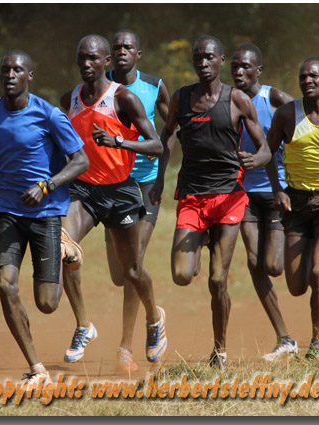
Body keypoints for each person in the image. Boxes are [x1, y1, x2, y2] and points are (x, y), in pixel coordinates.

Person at [0, 49, 89, 384]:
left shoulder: (49, 115)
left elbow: (80, 161)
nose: (10, 75)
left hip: (45, 212)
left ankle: (65, 251)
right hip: (5, 210)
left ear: (30, 75)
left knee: (47, 303)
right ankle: (37, 368)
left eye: (18, 70)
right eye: (6, 70)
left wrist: (46, 186)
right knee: (5, 285)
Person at [150, 36, 271, 368]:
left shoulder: (237, 100)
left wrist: (256, 161)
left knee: (218, 280)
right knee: (181, 275)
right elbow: (168, 133)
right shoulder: (181, 98)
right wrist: (160, 178)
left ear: (221, 61)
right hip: (192, 196)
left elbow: (265, 148)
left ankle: (220, 349)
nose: (202, 62)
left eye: (208, 57)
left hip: (229, 197)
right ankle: (201, 237)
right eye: (197, 57)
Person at [60, 34, 166, 366]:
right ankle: (83, 325)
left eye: (93, 58)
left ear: (106, 62)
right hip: (84, 190)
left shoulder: (124, 99)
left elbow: (157, 146)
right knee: (65, 248)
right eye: (82, 58)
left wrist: (119, 142)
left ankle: (154, 318)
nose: (87, 64)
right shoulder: (70, 99)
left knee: (131, 271)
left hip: (120, 190)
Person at [106, 29, 172, 373]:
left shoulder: (154, 85)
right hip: (111, 186)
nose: (121, 51)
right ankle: (154, 312)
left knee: (133, 264)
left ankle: (125, 347)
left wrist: (162, 177)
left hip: (145, 184)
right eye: (115, 46)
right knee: (120, 274)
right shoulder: (99, 87)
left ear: (138, 54)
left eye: (127, 46)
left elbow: (169, 130)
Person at [229, 44, 299, 362]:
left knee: (274, 265)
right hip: (242, 193)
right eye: (235, 67)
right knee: (256, 264)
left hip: (278, 190)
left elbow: (311, 129)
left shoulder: (275, 99)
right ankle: (285, 339)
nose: (239, 72)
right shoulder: (227, 101)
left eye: (246, 66)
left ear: (259, 70)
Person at [267, 57, 319, 361]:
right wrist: (278, 190)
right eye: (302, 76)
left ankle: (317, 343)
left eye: (313, 76)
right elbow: (268, 154)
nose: (307, 80)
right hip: (295, 205)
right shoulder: (286, 114)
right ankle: (315, 293)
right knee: (296, 286)